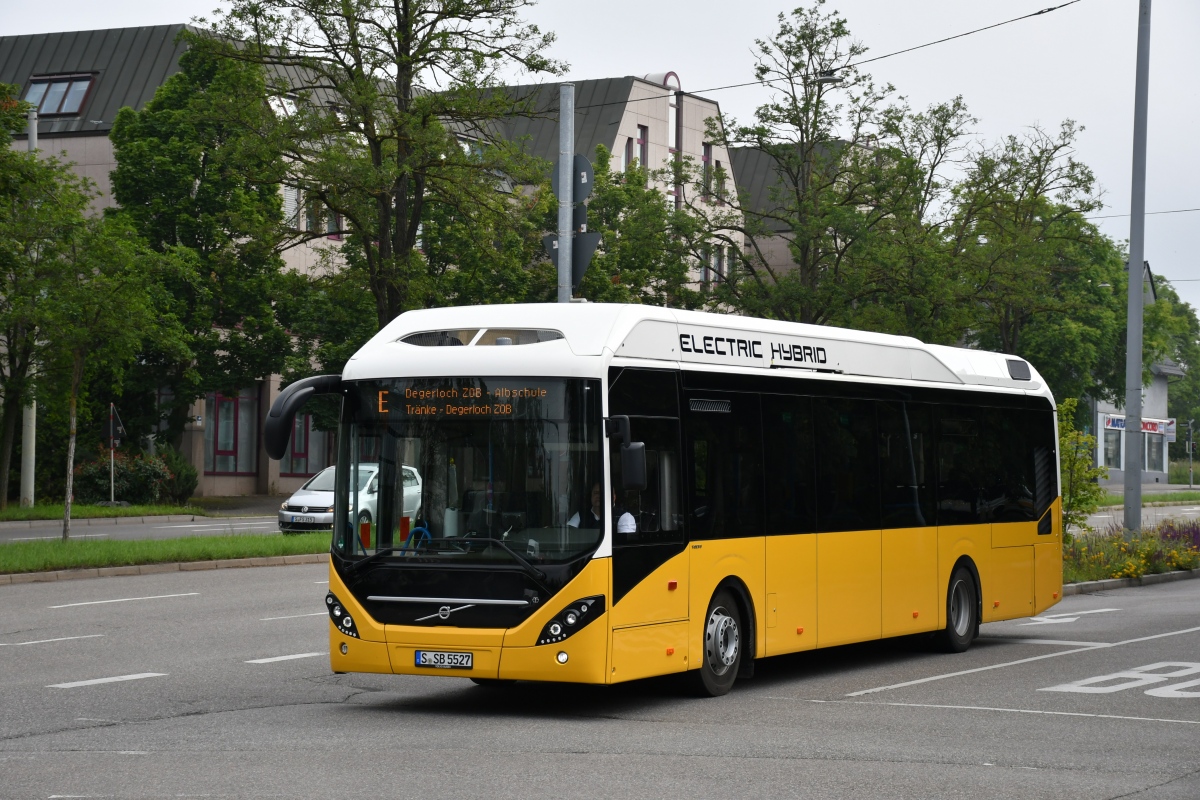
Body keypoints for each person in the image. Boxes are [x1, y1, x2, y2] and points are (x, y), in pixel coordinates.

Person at [567, 481, 636, 535]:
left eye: (603, 493)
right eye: (596, 493)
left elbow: (624, 546)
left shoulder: (624, 517)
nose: (598, 496)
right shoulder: (580, 515)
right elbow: (569, 534)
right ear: (591, 496)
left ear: (614, 497)